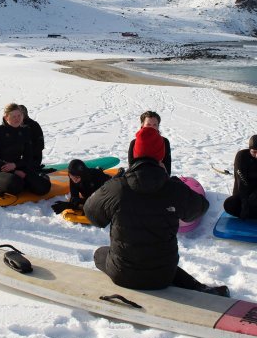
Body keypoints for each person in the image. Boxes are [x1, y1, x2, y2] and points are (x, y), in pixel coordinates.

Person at [85, 126, 228, 296]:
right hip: (163, 275)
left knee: (99, 254)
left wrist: (111, 190)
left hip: (123, 273)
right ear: (160, 156)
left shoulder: (117, 187)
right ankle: (197, 286)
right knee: (159, 263)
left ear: (134, 154)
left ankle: (196, 286)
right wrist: (178, 188)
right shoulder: (173, 188)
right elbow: (199, 209)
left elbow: (92, 214)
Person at [0, 103, 51, 195]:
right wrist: (14, 171)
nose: (17, 119)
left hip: (18, 166)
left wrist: (16, 166)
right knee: (16, 184)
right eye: (13, 116)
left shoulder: (25, 131)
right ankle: (24, 183)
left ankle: (36, 180)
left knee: (44, 187)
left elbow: (28, 156)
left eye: (19, 115)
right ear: (6, 117)